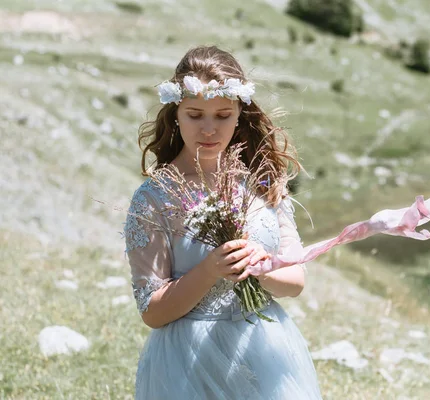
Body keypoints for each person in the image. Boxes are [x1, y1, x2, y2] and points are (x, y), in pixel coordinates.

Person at [123, 45, 322, 399]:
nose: (209, 129)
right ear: (176, 114)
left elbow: (295, 283)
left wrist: (261, 268)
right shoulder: (154, 198)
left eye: (223, 115)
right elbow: (152, 312)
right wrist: (209, 270)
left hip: (264, 348)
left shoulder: (263, 183)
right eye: (195, 114)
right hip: (187, 361)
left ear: (239, 115)